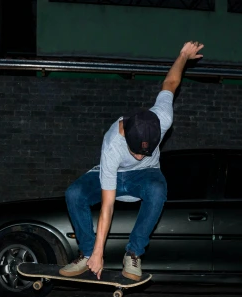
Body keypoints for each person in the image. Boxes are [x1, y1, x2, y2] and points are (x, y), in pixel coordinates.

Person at [59, 41, 205, 281]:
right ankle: (86, 255)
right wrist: (98, 253)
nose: (139, 156)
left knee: (158, 189)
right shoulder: (112, 143)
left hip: (145, 176)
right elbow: (107, 206)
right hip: (111, 174)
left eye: (144, 152)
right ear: (126, 134)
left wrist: (182, 56)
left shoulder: (162, 118)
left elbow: (170, 84)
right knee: (74, 193)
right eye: (136, 152)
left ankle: (134, 253)